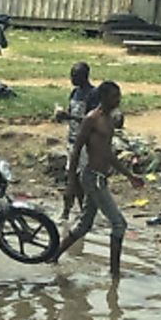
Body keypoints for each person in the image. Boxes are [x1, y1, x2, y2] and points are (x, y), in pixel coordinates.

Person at [53, 81, 144, 279]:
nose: (118, 100)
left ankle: (52, 257)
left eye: (118, 96)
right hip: (92, 178)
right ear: (103, 98)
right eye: (114, 97)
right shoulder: (91, 119)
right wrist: (70, 183)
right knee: (119, 224)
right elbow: (76, 150)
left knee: (84, 225)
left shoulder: (109, 120)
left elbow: (108, 153)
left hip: (100, 177)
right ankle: (114, 274)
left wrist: (129, 175)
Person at [52, 62, 100, 218]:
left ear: (84, 76)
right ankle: (76, 210)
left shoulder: (93, 94)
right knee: (72, 177)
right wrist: (62, 115)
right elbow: (73, 115)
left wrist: (69, 116)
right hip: (72, 140)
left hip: (85, 143)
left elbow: (91, 120)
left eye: (75, 75)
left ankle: (75, 210)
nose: (71, 78)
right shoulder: (74, 93)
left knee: (79, 178)